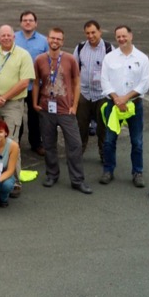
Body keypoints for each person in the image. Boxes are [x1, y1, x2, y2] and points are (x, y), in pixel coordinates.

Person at [33, 27, 92, 194]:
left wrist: (74, 106)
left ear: (62, 41)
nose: (55, 41)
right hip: (46, 109)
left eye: (58, 39)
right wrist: (35, 103)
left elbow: (76, 82)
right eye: (52, 38)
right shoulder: (39, 60)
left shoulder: (70, 59)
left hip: (66, 109)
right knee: (49, 144)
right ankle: (52, 174)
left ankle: (77, 180)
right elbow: (36, 82)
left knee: (75, 144)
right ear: (48, 39)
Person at [100, 25, 149, 187]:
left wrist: (125, 99)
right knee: (109, 140)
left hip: (134, 105)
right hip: (113, 105)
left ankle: (137, 172)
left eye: (124, 36)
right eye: (118, 37)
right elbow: (104, 81)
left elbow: (144, 84)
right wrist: (116, 99)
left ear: (131, 36)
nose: (121, 39)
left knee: (137, 141)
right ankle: (108, 170)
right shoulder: (110, 57)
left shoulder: (142, 58)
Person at [0, 25, 35, 160]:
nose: (6, 38)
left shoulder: (23, 55)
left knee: (11, 140)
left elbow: (24, 82)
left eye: (8, 35)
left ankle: (13, 177)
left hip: (12, 104)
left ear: (14, 37)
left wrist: (4, 97)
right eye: (3, 36)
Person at [74, 19, 112, 162]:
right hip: (84, 94)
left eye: (93, 32)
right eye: (87, 33)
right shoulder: (80, 48)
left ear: (100, 31)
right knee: (81, 126)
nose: (90, 36)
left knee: (103, 128)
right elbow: (75, 70)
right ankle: (78, 153)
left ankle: (104, 154)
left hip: (101, 94)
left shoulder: (108, 49)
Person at [15, 11, 49, 156]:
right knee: (16, 115)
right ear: (21, 22)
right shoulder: (13, 38)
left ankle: (36, 143)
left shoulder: (44, 41)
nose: (27, 22)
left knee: (35, 116)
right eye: (25, 20)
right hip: (17, 85)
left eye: (30, 20)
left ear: (36, 23)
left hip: (36, 86)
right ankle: (16, 142)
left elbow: (48, 61)